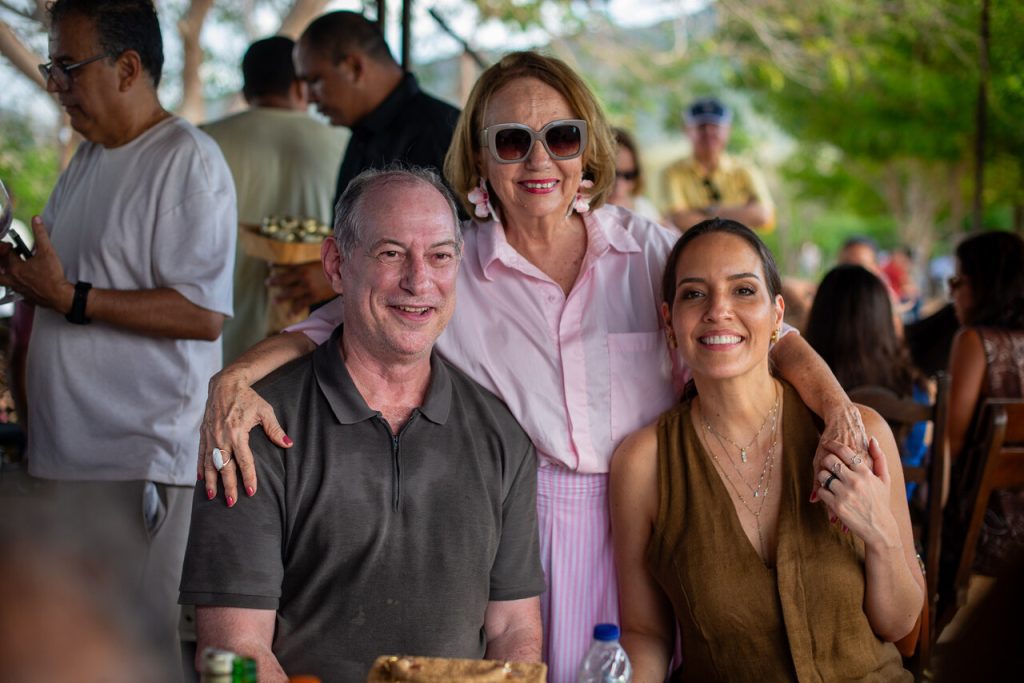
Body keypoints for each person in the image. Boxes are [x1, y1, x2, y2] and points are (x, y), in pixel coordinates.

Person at [198, 52, 864, 683]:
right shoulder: (451, 263)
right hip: (525, 538)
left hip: (660, 525)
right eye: (513, 141)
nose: (540, 160)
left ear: (588, 149)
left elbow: (769, 335)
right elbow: (335, 324)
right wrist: (235, 378)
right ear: (480, 159)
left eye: (562, 137)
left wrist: (838, 408)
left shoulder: (650, 251)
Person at [180, 167, 544, 680]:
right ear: (336, 264)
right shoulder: (250, 430)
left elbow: (513, 630)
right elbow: (233, 650)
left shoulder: (502, 435)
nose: (419, 280)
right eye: (391, 253)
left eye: (440, 256)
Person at [0, 0, 235, 675]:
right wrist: (25, 274)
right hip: (68, 454)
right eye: (51, 68)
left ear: (128, 68)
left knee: (131, 655)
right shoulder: (88, 158)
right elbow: (65, 280)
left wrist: (69, 298)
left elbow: (202, 313)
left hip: (138, 457)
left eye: (68, 67)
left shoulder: (186, 160)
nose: (55, 85)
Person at [610, 219, 924, 681]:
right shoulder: (644, 464)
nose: (719, 310)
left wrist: (881, 535)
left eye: (743, 290)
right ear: (669, 320)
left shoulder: (860, 433)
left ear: (778, 315)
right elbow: (645, 633)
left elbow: (899, 624)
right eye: (694, 294)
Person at [272, 11, 461, 313]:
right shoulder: (362, 131)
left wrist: (343, 273)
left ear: (354, 67)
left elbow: (466, 251)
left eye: (315, 80)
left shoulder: (444, 133)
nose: (308, 98)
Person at [202, 36, 348, 363]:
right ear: (300, 87)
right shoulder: (344, 142)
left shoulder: (202, 142)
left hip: (221, 344)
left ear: (245, 91)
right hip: (316, 343)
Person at [804, 264, 930, 497]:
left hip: (815, 507)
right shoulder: (913, 388)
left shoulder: (803, 388)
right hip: (900, 508)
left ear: (819, 319)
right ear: (885, 320)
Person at [945, 230, 1024, 576]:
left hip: (985, 531)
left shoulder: (976, 342)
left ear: (985, 285)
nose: (952, 293)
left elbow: (950, 444)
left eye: (957, 281)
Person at [661, 98, 775, 232]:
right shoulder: (672, 172)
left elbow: (762, 216)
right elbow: (678, 219)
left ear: (729, 130)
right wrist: (739, 212)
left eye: (715, 126)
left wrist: (709, 211)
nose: (708, 131)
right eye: (701, 126)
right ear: (686, 129)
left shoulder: (745, 169)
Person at [608, 127, 661, 223]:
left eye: (629, 175)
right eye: (612, 174)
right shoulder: (584, 211)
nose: (619, 185)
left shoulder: (645, 209)